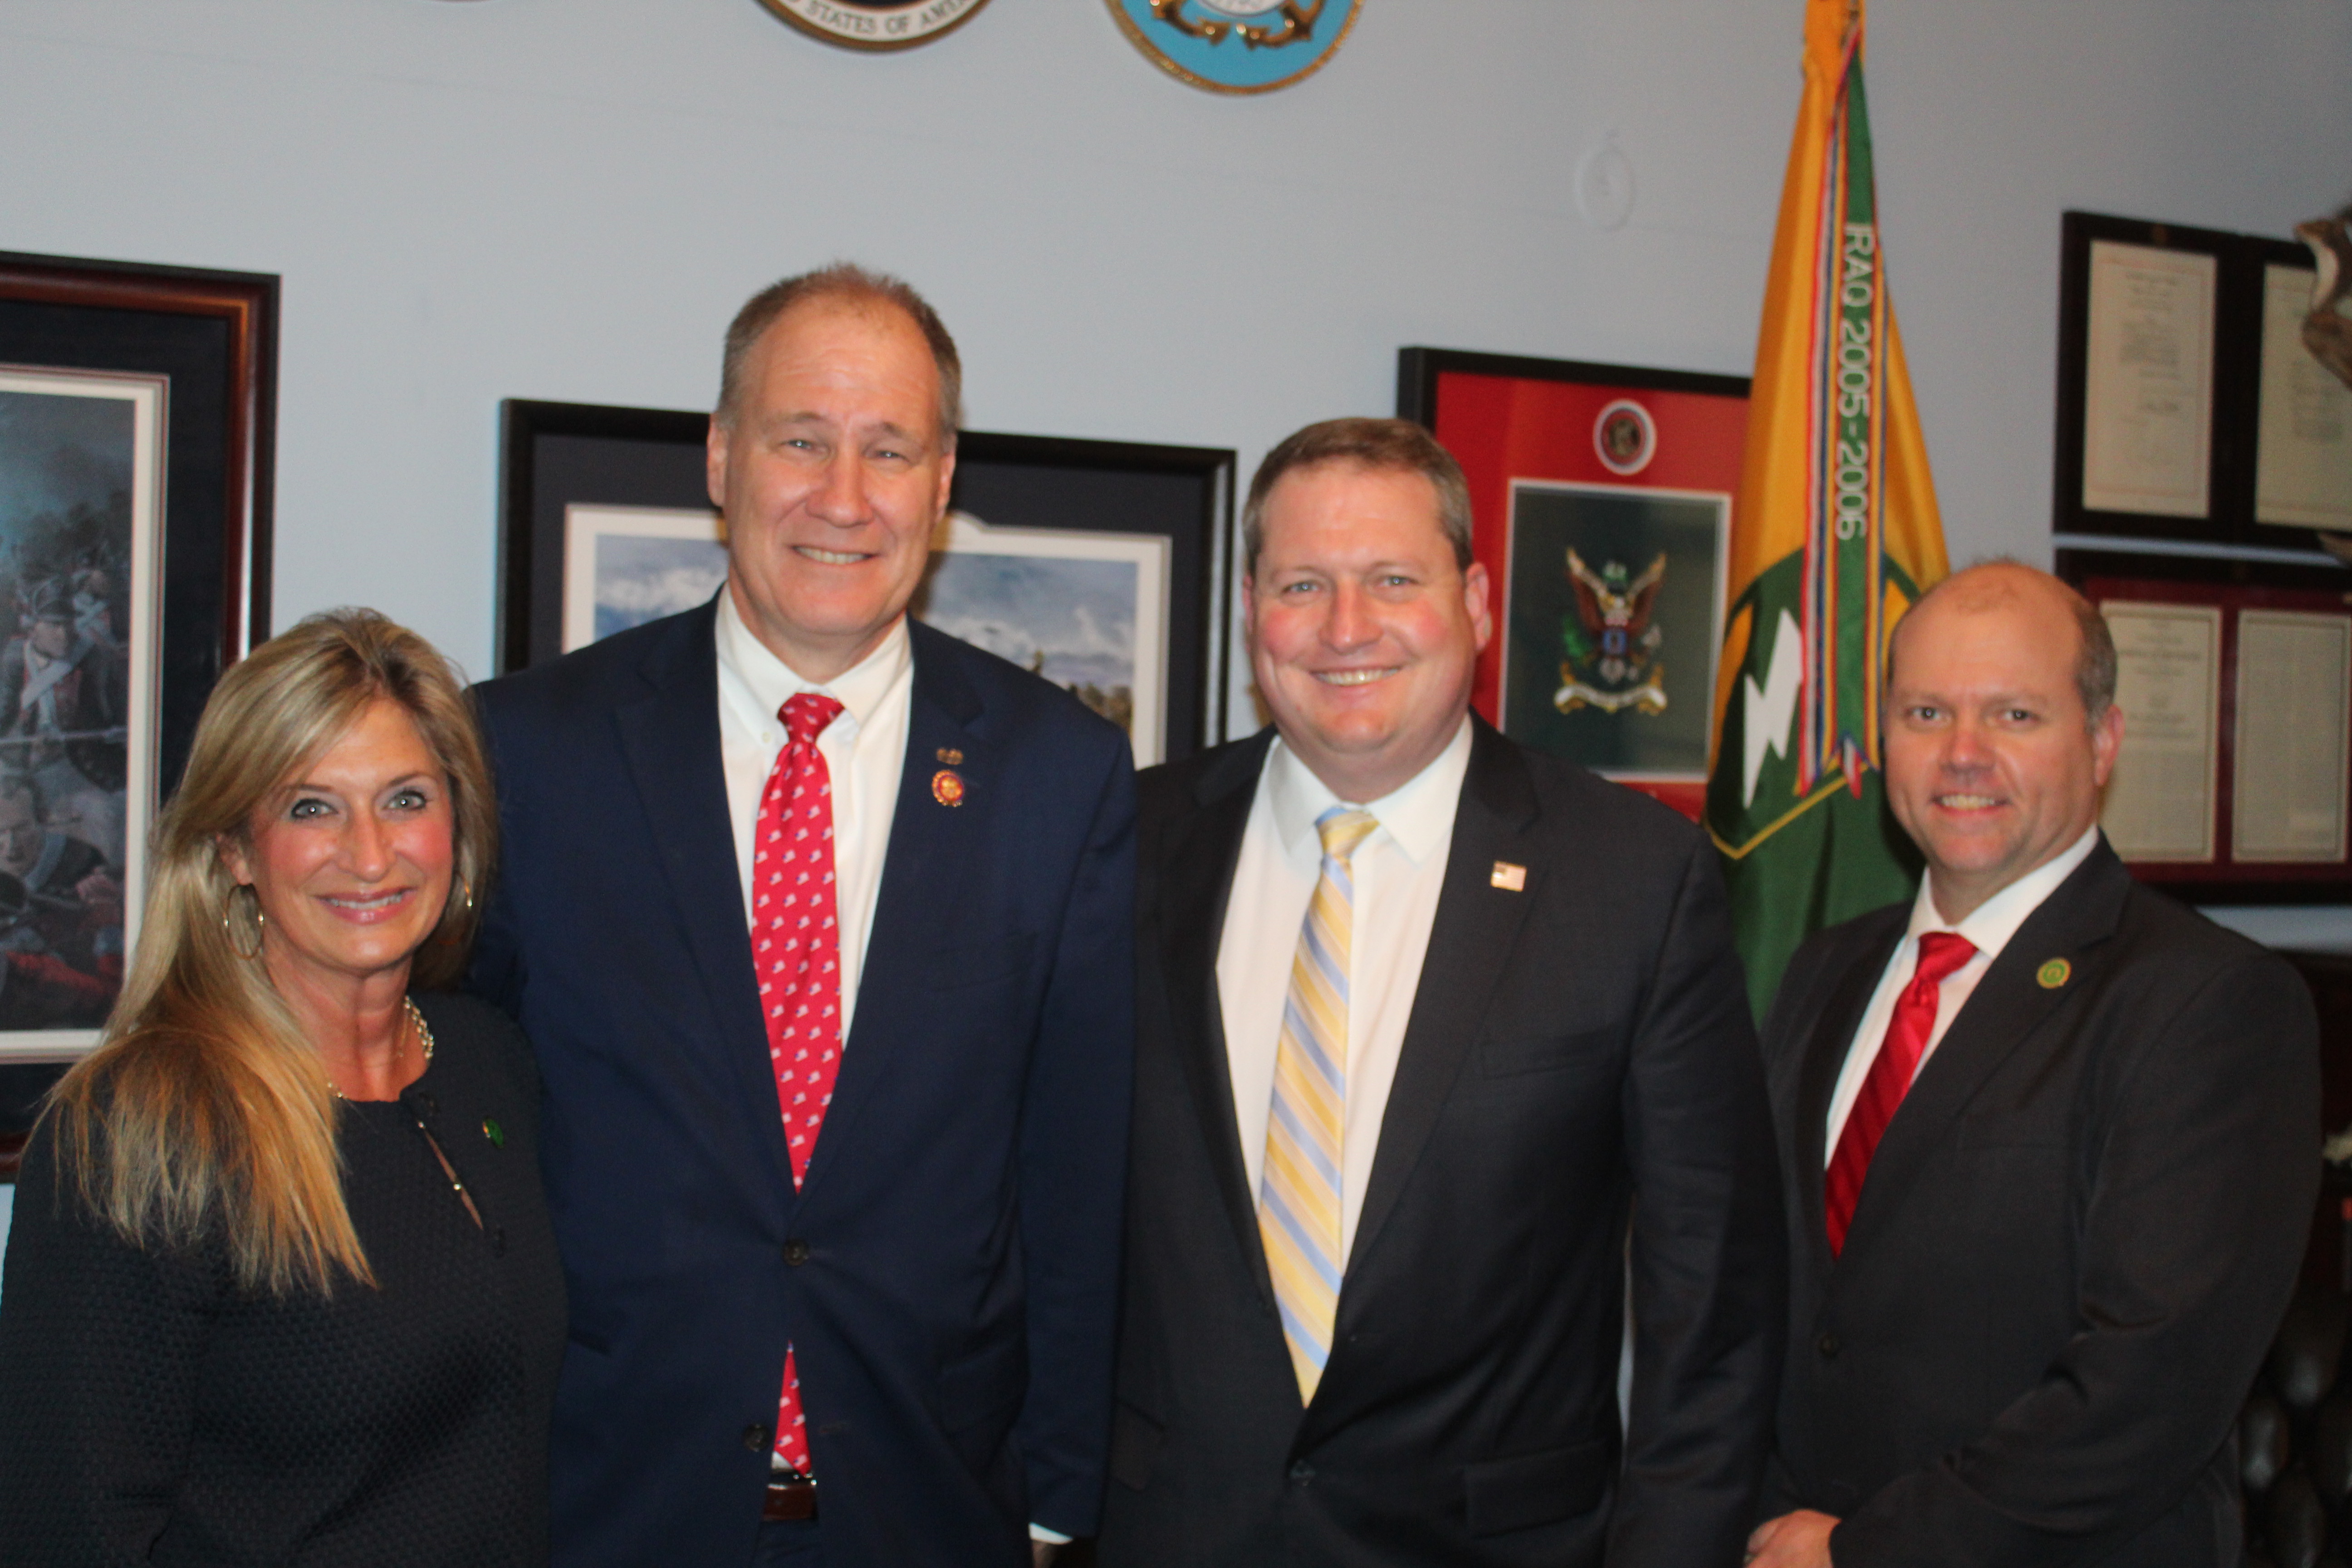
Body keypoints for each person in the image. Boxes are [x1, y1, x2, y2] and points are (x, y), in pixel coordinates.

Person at [469, 263, 1135, 1566]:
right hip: (601, 1494)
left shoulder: (1060, 774)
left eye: (890, 449)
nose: (844, 496)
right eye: (801, 440)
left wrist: (1060, 1498)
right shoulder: (529, 750)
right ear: (722, 458)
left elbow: (1075, 1169)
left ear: (941, 482)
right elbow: (464, 1124)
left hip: (930, 1499)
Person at [1098, 418, 1784, 1568]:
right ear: (1252, 611)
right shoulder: (1123, 842)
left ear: (1473, 604)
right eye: (1303, 584)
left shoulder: (1632, 879)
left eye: (1393, 580)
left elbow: (1713, 1306)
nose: (1346, 628)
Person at [1745, 563, 2319, 1568]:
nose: (1963, 754)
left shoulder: (2211, 1003)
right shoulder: (1824, 970)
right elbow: (1757, 1297)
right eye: (1926, 713)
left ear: (2104, 740)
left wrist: (1865, 1551)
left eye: (2015, 715)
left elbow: (2150, 1386)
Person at [0, 608, 566, 1564]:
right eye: (311, 808)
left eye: (405, 799)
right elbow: (69, 1532)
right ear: (233, 848)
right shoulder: (140, 1129)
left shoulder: (487, 1061)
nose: (370, 854)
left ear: (458, 823)